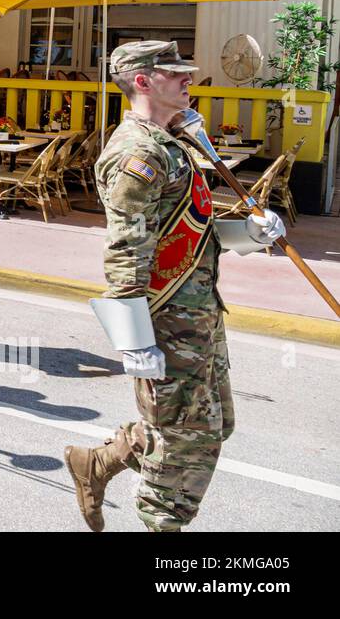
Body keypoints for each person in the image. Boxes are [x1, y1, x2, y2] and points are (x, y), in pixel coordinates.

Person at [64, 40, 282, 533]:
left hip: (200, 310)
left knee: (211, 424)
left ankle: (99, 463)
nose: (188, 78)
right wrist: (135, 340)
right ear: (143, 82)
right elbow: (127, 247)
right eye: (175, 72)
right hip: (165, 318)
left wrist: (247, 233)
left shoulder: (175, 140)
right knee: (189, 441)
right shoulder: (137, 154)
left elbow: (190, 230)